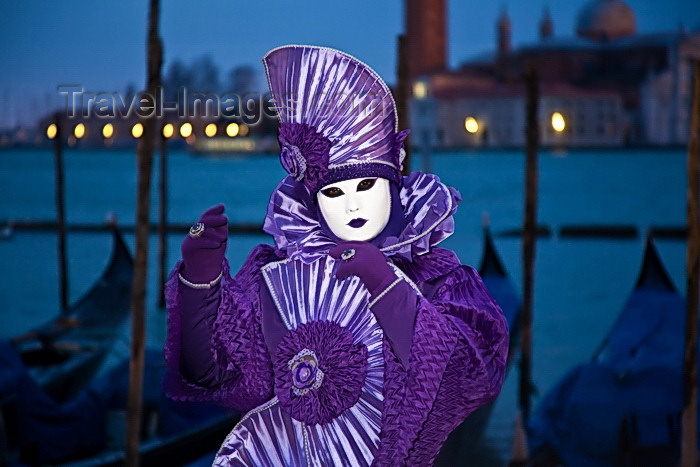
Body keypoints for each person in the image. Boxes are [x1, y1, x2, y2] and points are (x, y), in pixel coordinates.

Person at [163, 45, 508, 466]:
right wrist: (201, 280)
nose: (351, 207)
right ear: (312, 200)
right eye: (333, 192)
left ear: (393, 178)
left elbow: (471, 376)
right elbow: (216, 373)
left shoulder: (439, 280)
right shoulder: (279, 279)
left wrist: (386, 287)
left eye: (366, 186)